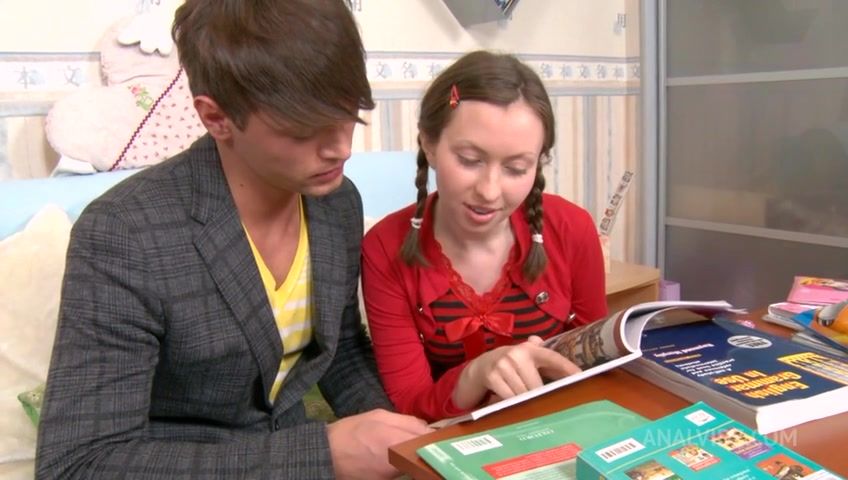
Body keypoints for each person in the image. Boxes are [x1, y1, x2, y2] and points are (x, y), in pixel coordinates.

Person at [35, 1, 430, 478]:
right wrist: (320, 456)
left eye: (349, 114)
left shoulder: (336, 202)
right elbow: (78, 465)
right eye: (303, 130)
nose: (341, 147)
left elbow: (340, 348)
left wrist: (407, 441)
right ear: (216, 117)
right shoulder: (123, 233)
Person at [361, 50, 608, 422]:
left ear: (538, 163)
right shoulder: (384, 247)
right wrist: (476, 374)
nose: (489, 191)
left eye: (516, 168)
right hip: (451, 435)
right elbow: (410, 402)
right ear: (429, 144)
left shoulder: (571, 228)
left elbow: (591, 358)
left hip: (556, 423)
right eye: (469, 160)